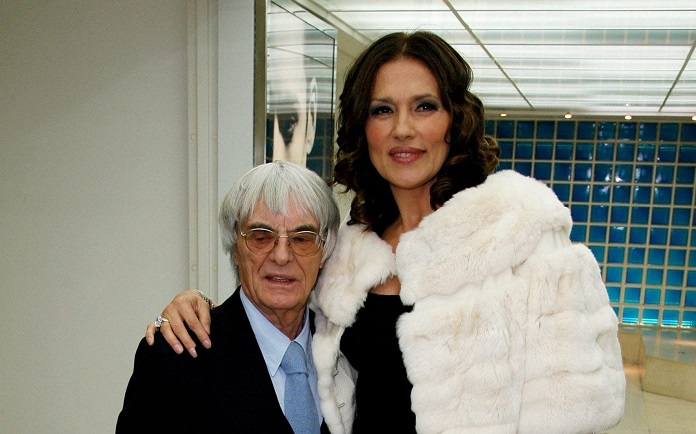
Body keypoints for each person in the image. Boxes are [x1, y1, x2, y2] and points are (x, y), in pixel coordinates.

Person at [146, 31, 626, 433]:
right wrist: (192, 306)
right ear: (363, 127)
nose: (402, 129)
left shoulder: (521, 239)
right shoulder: (349, 253)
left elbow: (574, 410)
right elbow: (276, 305)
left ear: (454, 120)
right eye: (382, 110)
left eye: (424, 106)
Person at [117, 161, 344, 433]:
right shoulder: (175, 357)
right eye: (261, 237)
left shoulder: (350, 349)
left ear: (324, 250)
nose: (282, 256)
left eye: (302, 238)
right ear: (235, 249)